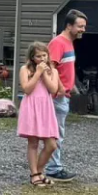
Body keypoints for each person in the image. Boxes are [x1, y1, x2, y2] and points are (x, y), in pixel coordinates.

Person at [43, 9, 87, 182]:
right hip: (56, 97)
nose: (83, 30)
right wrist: (60, 88)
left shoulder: (69, 43)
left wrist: (72, 86)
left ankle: (52, 166)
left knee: (57, 133)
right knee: (55, 133)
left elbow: (63, 68)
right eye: (80, 26)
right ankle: (53, 168)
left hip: (64, 95)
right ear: (69, 26)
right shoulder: (58, 43)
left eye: (84, 26)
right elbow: (50, 67)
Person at [18, 41, 63, 187]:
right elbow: (27, 89)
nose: (42, 59)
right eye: (38, 56)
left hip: (46, 107)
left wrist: (44, 74)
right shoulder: (25, 69)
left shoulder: (53, 71)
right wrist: (37, 73)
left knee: (51, 144)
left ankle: (38, 171)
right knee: (33, 142)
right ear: (32, 58)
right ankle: (34, 174)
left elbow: (53, 89)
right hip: (31, 106)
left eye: (44, 55)